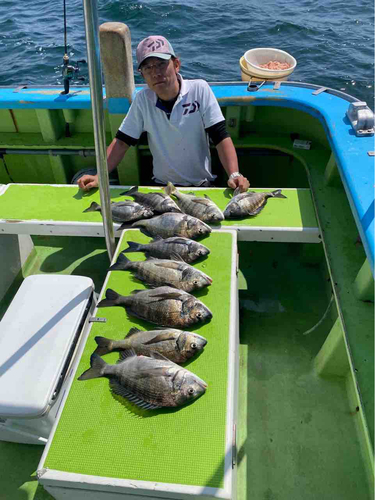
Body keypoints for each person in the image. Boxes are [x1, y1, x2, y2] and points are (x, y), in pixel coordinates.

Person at [78, 35, 249, 192]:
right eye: (148, 67)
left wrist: (234, 175)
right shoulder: (143, 100)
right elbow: (121, 142)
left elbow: (220, 137)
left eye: (161, 64)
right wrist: (100, 176)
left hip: (200, 185)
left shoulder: (199, 89)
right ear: (142, 74)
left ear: (176, 65)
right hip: (161, 187)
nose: (155, 72)